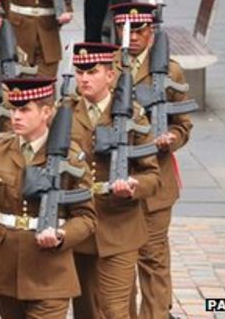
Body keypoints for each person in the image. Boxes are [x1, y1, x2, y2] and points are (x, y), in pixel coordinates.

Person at [0, 78, 97, 319]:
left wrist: (61, 235)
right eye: (13, 109)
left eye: (25, 110)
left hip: (50, 267)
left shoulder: (71, 157)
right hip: (6, 265)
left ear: (46, 112)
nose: (16, 116)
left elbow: (86, 217)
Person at [108, 3, 194, 319]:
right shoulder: (107, 67)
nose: (131, 37)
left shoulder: (169, 70)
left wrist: (172, 138)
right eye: (125, 30)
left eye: (139, 30)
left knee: (153, 256)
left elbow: (183, 123)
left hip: (157, 178)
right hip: (118, 175)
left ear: (151, 32)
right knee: (120, 261)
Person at [67, 42, 159, 319]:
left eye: (92, 71)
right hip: (80, 224)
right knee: (84, 310)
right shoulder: (64, 113)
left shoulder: (132, 114)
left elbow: (152, 176)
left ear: (110, 75)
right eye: (80, 72)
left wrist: (133, 186)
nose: (84, 78)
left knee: (115, 309)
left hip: (119, 226)